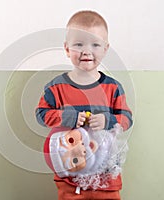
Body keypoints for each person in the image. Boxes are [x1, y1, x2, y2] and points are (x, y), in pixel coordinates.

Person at [35, 10, 133, 200]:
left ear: (105, 49)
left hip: (106, 177)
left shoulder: (113, 88)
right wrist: (66, 118)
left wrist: (108, 120)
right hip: (71, 178)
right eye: (79, 44)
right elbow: (41, 114)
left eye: (95, 44)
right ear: (67, 49)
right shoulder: (56, 87)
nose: (87, 51)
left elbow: (127, 118)